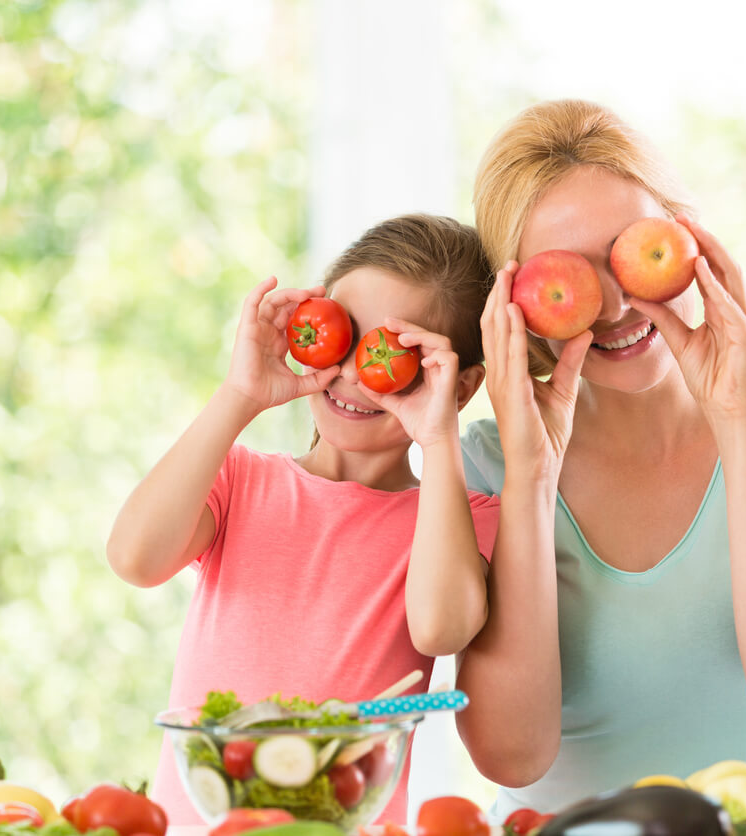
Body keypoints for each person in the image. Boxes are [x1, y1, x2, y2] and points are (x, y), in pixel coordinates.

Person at [454, 99, 746, 816]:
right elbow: (511, 754)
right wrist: (530, 481)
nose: (615, 304)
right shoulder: (487, 467)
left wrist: (739, 423)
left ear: (687, 239)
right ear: (513, 304)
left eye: (630, 251)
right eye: (569, 275)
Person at [107, 214, 500, 826]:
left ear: (458, 383)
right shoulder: (240, 480)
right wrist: (241, 393)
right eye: (339, 337)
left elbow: (441, 629)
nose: (346, 373)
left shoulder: (460, 522)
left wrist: (440, 434)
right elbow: (135, 557)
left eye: (387, 355)